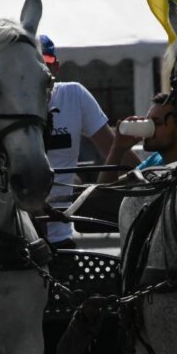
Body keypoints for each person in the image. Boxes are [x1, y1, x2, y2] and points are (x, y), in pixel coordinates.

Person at [39, 34, 116, 249]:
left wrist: (153, 172)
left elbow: (114, 151)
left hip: (59, 234)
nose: (41, 72)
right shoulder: (9, 104)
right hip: (16, 236)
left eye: (46, 64)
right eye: (34, 64)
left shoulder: (73, 95)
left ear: (56, 68)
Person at [98, 93, 177, 183]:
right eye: (148, 121)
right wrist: (117, 150)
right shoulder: (155, 161)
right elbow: (104, 192)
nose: (148, 127)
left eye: (157, 123)